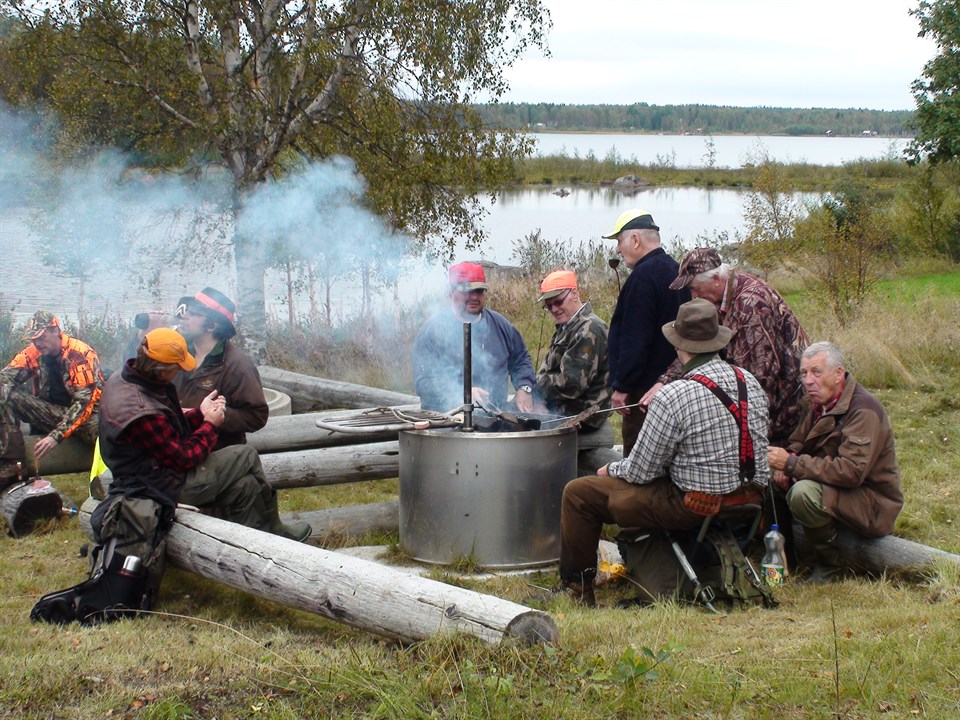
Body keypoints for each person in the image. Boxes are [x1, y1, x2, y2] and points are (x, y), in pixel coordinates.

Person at [559, 299, 770, 605]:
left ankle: (578, 589)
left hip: (693, 505)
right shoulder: (748, 381)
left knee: (579, 494)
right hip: (751, 500)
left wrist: (610, 469)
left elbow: (640, 472)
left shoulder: (673, 394)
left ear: (677, 345)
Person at [98, 328, 310, 541]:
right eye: (177, 368)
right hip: (158, 487)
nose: (180, 372)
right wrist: (210, 424)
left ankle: (253, 543)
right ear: (162, 370)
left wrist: (200, 413)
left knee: (246, 486)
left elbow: (167, 431)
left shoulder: (125, 379)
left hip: (151, 474)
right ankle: (275, 527)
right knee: (246, 455)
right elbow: (184, 458)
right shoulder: (142, 411)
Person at [767, 342, 902, 583]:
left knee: (803, 493)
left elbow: (851, 471)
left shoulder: (863, 411)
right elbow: (799, 441)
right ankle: (785, 557)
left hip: (872, 501)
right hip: (840, 490)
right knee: (769, 477)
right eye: (804, 373)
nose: (808, 381)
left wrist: (792, 464)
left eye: (816, 372)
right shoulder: (819, 402)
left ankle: (831, 566)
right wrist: (787, 460)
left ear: (839, 374)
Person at [648, 247, 809, 445]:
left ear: (716, 279)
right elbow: (695, 345)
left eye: (696, 288)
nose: (694, 295)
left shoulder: (751, 306)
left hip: (784, 413)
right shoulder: (721, 296)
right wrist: (664, 382)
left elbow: (759, 380)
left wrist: (733, 428)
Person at [602, 210, 689, 456]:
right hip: (674, 384)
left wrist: (623, 385)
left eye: (619, 241)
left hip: (643, 394)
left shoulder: (643, 278)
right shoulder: (676, 271)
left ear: (635, 240)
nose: (618, 250)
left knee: (639, 456)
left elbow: (635, 338)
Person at [413, 262, 536, 414]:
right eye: (467, 291)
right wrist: (463, 393)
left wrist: (524, 387)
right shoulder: (432, 331)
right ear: (451, 292)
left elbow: (521, 360)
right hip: (446, 419)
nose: (474, 297)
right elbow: (424, 382)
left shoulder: (500, 325)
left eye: (479, 291)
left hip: (495, 417)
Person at [0, 311, 104, 482]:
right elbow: (5, 378)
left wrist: (55, 437)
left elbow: (83, 404)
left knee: (105, 435)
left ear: (56, 331)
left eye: (41, 337)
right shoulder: (33, 353)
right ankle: (13, 463)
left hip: (89, 417)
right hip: (53, 412)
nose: (37, 343)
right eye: (33, 339)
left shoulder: (79, 354)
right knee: (7, 393)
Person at [173, 287, 268, 451]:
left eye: (193, 313)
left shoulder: (237, 364)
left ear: (211, 326)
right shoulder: (176, 353)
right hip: (176, 452)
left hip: (213, 455)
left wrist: (215, 414)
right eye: (186, 311)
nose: (184, 316)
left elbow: (256, 416)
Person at [534, 270, 612, 445]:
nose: (554, 309)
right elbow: (549, 370)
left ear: (575, 294)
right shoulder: (569, 325)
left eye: (558, 302)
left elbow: (571, 384)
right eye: (549, 306)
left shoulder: (590, 328)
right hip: (563, 407)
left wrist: (535, 389)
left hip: (582, 414)